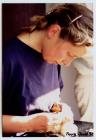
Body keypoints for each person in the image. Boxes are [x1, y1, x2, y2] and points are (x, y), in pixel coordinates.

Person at [2, 3, 93, 136]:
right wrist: (29, 124)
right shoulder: (7, 58)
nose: (67, 63)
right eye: (70, 54)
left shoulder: (51, 57)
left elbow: (52, 103)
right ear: (54, 31)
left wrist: (62, 110)